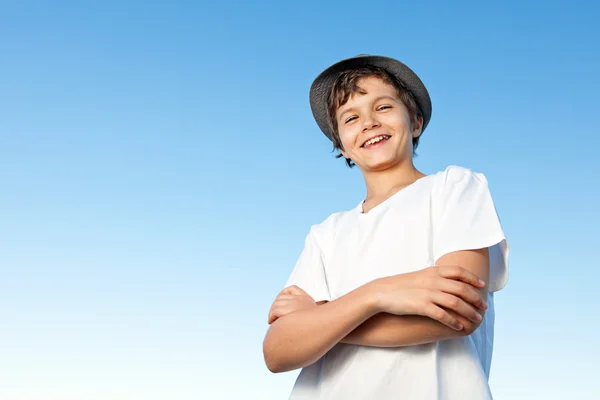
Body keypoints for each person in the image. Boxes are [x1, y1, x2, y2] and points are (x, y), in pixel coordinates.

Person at [262, 54, 509, 399]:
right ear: (343, 149)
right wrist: (377, 294)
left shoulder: (453, 188)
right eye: (351, 118)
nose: (368, 123)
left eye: (383, 107)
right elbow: (278, 351)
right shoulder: (327, 233)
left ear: (416, 122)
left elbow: (458, 313)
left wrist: (322, 318)